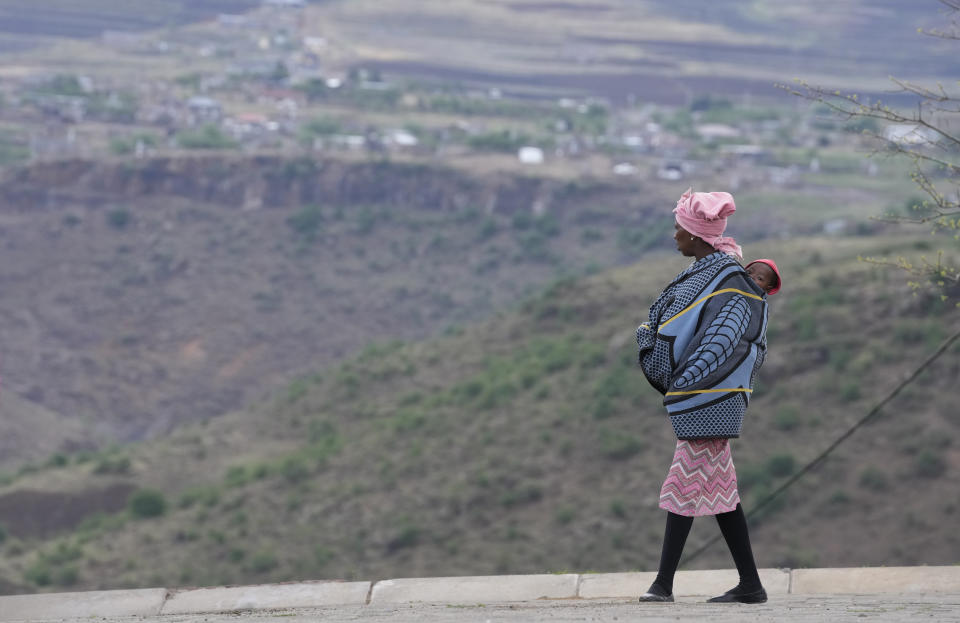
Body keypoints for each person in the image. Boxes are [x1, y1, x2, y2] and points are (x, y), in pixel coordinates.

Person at [635, 189, 777, 604]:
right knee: (721, 493)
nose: (674, 234)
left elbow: (727, 339)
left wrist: (657, 348)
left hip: (708, 397)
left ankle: (663, 584)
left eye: (680, 227)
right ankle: (750, 585)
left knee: (683, 483)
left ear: (696, 236)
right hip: (705, 396)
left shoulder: (727, 279)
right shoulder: (713, 273)